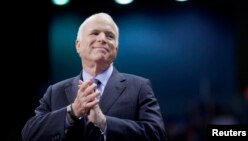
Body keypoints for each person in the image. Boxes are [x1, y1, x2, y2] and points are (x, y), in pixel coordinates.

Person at [22, 12, 168, 141]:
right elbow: (29, 134)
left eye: (110, 36)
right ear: (78, 45)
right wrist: (72, 111)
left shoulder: (139, 87)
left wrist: (105, 123)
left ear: (116, 49)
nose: (102, 39)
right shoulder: (55, 92)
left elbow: (157, 134)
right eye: (94, 33)